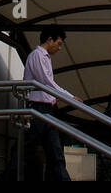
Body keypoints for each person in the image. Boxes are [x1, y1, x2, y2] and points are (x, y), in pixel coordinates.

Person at [21, 26, 80, 180]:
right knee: (27, 152)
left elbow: (47, 84)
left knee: (55, 153)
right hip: (37, 109)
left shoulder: (44, 57)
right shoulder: (37, 56)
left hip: (46, 109)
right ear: (50, 40)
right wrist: (69, 97)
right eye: (59, 43)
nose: (59, 48)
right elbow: (46, 82)